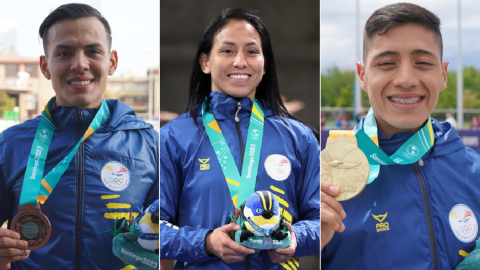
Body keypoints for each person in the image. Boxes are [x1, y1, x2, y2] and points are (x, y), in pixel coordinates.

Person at [321, 3, 480, 269]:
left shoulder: (473, 172)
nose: (406, 79)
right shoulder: (323, 179)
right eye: (386, 63)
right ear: (362, 75)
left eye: (423, 63)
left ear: (443, 75)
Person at [0, 4, 158, 269]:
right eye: (64, 53)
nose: (80, 64)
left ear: (112, 62)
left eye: (93, 51)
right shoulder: (11, 146)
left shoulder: (149, 145)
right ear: (45, 66)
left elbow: (171, 238)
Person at [160, 8, 320, 269]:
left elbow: (320, 218)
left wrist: (296, 238)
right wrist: (207, 242)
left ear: (265, 63)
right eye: (227, 50)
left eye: (252, 51)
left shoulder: (300, 137)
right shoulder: (173, 137)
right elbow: (154, 227)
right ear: (205, 62)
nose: (240, 62)